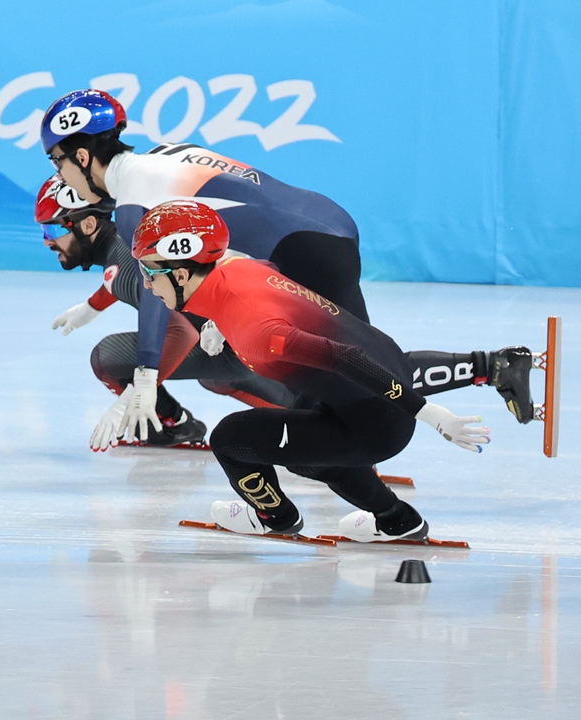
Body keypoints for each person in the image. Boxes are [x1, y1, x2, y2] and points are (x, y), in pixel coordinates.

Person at [39, 89, 537, 448]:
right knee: (354, 358)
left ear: (82, 155)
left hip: (299, 251)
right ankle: (481, 371)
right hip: (328, 222)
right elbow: (224, 226)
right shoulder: (167, 153)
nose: (58, 175)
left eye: (57, 163)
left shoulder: (131, 206)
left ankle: (490, 366)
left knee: (341, 368)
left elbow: (155, 291)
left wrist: (146, 376)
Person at [132, 200, 490, 541]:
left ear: (180, 273)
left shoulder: (257, 332)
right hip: (373, 370)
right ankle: (398, 521)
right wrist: (217, 320)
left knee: (229, 440)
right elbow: (266, 280)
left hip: (378, 414)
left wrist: (427, 412)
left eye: (149, 272)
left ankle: (274, 518)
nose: (146, 284)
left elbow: (341, 357)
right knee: (307, 458)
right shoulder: (239, 269)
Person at [36, 175, 297, 449]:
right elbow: (131, 285)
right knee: (216, 377)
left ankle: (170, 424)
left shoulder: (123, 265)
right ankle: (305, 414)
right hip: (249, 335)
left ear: (88, 224)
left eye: (51, 231)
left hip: (237, 340)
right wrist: (91, 307)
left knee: (107, 357)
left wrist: (138, 392)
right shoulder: (127, 249)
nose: (46, 242)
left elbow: (180, 333)